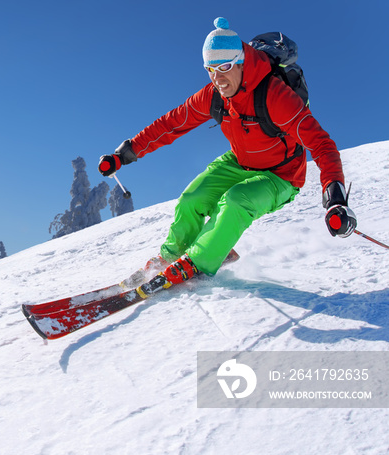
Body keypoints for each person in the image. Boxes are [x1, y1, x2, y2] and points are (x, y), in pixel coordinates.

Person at [98, 17, 356, 287]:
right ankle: (170, 257)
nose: (218, 78)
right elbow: (171, 124)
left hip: (281, 175)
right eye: (210, 69)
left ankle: (198, 262)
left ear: (242, 61)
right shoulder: (214, 96)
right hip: (240, 162)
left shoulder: (275, 96)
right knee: (191, 199)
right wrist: (124, 154)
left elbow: (321, 143)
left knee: (236, 201)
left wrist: (335, 197)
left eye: (224, 67)